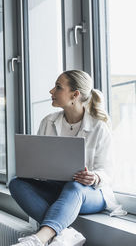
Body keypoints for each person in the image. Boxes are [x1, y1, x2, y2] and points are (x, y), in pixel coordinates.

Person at [9, 70, 125, 246]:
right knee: (16, 183)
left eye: (58, 87)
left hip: (91, 193)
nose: (51, 92)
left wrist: (95, 176)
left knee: (74, 186)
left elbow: (108, 172)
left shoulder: (99, 127)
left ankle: (38, 239)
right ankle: (64, 233)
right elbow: (40, 159)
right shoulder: (48, 121)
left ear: (75, 94)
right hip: (58, 189)